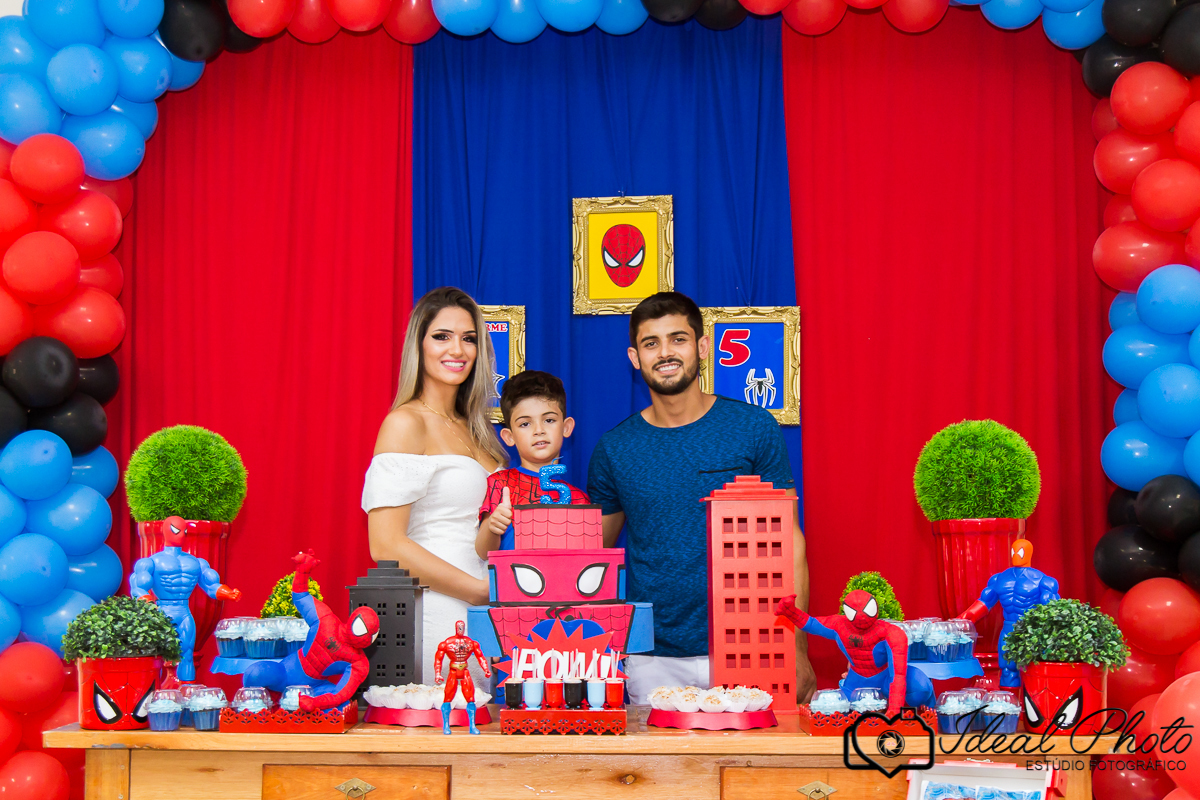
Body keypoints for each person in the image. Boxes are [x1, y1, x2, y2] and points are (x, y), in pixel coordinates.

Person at [587, 291, 815, 704]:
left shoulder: (752, 427)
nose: (665, 353)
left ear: (703, 347)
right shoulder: (614, 448)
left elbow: (789, 544)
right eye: (651, 343)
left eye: (678, 339)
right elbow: (595, 558)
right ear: (635, 358)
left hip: (752, 643)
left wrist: (795, 646)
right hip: (651, 657)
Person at [362, 286, 506, 687]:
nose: (457, 349)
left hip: (489, 614)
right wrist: (476, 591)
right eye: (442, 336)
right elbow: (385, 545)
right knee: (446, 718)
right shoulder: (405, 423)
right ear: (419, 345)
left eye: (469, 338)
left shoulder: (479, 431)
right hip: (440, 610)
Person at [475, 370, 590, 559]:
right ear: (509, 437)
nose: (539, 430)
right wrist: (492, 527)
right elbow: (483, 552)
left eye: (549, 420)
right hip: (512, 577)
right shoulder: (501, 484)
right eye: (525, 424)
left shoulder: (579, 499)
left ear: (566, 427)